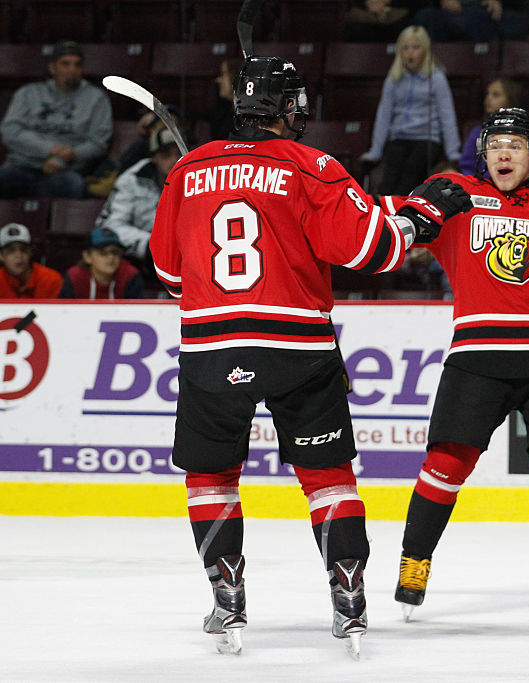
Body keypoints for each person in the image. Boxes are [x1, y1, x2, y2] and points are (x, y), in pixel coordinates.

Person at [148, 54, 472, 657]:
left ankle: (227, 594)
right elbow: (372, 248)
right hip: (297, 343)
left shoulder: (186, 170)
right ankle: (347, 592)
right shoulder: (311, 165)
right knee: (327, 477)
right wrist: (422, 215)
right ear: (285, 108)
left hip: (213, 344)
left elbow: (170, 274)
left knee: (210, 475)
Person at [388, 108, 529, 619]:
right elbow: (386, 230)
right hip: (476, 354)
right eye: (495, 144)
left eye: (515, 145)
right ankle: (415, 562)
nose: (504, 153)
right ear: (483, 153)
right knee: (445, 466)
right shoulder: (453, 193)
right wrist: (422, 208)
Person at [0, 40, 113, 199]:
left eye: (77, 65)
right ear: (52, 68)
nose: (71, 70)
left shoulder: (96, 98)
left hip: (66, 169)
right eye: (65, 64)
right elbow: (10, 132)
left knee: (74, 186)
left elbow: (98, 143)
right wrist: (49, 149)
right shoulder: (28, 93)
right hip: (22, 165)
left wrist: (63, 158)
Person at [361, 26, 462, 196]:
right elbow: (383, 115)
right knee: (389, 178)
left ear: (425, 50)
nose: (410, 53)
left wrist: (453, 151)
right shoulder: (393, 79)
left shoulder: (436, 78)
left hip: (427, 139)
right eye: (405, 48)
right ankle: (381, 212)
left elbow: (447, 115)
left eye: (415, 47)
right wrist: (375, 150)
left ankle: (400, 213)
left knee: (411, 173)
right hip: (400, 138)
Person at [95, 128, 183, 263]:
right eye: (166, 155)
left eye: (179, 154)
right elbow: (112, 225)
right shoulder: (131, 180)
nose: (174, 160)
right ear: (154, 157)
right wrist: (150, 243)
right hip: (141, 256)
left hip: (183, 253)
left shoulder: (198, 179)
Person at [457, 78, 522, 175]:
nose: (488, 98)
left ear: (510, 99)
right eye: (487, 94)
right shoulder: (478, 132)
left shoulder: (522, 132)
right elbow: (467, 167)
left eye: (496, 95)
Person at [59, 227, 144, 299]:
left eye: (115, 252)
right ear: (87, 257)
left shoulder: (130, 275)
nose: (111, 257)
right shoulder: (75, 277)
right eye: (103, 253)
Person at [414, 0, 529, 42]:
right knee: (424, 17)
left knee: (480, 15)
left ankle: (484, 74)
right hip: (449, 14)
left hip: (482, 10)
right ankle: (435, 72)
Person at [0, 223, 62, 299]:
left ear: (31, 252)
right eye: (11, 251)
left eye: (23, 249)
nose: (19, 255)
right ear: (1, 256)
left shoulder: (51, 280)